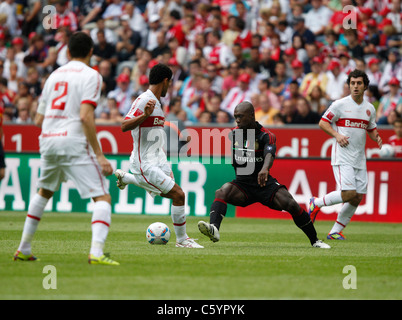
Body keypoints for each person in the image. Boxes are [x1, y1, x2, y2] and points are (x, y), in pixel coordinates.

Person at [13, 32, 119, 265]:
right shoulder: (91, 75)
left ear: (68, 52)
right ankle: (97, 252)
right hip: (72, 141)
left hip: (48, 139)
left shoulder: (53, 76)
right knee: (102, 197)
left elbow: (38, 119)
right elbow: (85, 116)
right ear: (91, 52)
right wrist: (99, 155)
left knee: (44, 191)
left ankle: (24, 248)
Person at [197, 101, 330, 249]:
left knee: (291, 204)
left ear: (252, 115)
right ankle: (214, 229)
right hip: (243, 186)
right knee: (221, 192)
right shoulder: (235, 134)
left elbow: (269, 154)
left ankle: (315, 240)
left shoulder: (266, 135)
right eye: (236, 117)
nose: (237, 120)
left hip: (264, 184)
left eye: (240, 116)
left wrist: (265, 168)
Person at [114, 63, 203, 248]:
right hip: (145, 163)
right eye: (170, 83)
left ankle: (127, 178)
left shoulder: (157, 102)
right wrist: (144, 115)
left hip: (157, 159)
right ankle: (182, 240)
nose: (169, 87)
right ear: (165, 81)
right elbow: (124, 125)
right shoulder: (143, 100)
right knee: (178, 194)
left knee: (170, 194)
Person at [308, 69, 383, 240]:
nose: (355, 86)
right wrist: (337, 135)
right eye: (352, 83)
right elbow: (322, 122)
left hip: (359, 157)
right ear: (349, 85)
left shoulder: (369, 109)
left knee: (357, 197)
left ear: (365, 86)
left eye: (359, 83)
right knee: (348, 193)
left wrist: (376, 136)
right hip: (343, 156)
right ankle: (316, 203)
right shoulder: (339, 104)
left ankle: (335, 231)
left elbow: (371, 129)